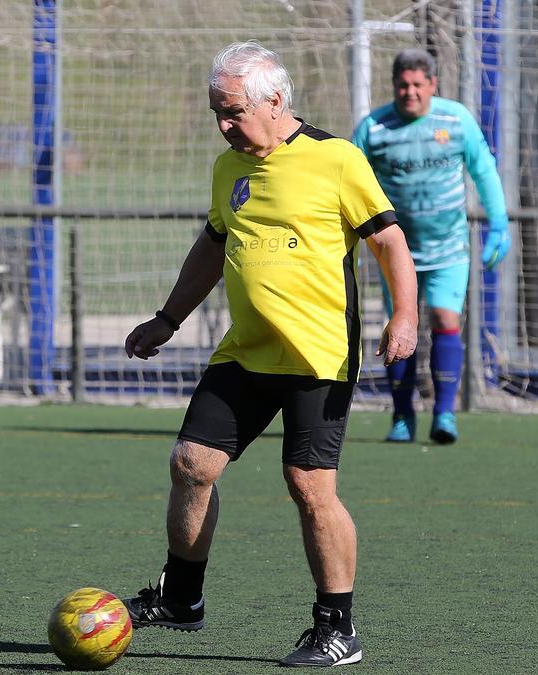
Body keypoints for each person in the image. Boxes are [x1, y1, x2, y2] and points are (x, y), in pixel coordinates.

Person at [122, 41, 417, 668]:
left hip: (317, 356)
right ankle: (182, 600)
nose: (224, 125)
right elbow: (212, 246)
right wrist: (168, 318)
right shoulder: (229, 167)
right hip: (245, 353)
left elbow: (389, 241)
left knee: (310, 487)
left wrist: (404, 315)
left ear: (275, 100)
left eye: (232, 111)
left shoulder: (336, 159)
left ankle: (338, 630)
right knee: (192, 464)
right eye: (216, 113)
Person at [351, 48, 510, 444]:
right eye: (402, 85)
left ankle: (444, 414)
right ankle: (402, 416)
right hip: (394, 252)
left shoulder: (455, 120)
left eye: (417, 85)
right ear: (394, 86)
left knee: (444, 319)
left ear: (432, 85)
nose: (410, 92)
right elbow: (347, 180)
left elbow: (483, 169)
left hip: (448, 247)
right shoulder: (374, 128)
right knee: (399, 328)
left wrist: (499, 224)